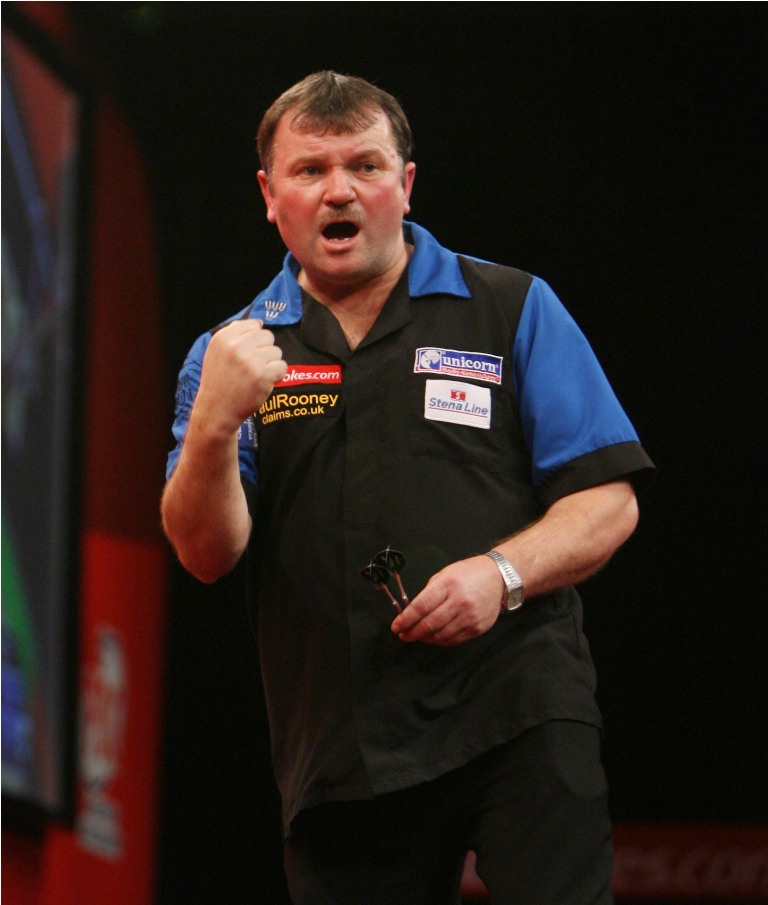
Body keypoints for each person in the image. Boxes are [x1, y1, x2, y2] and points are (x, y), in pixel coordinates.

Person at [161, 71, 655, 905]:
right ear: (270, 196)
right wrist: (212, 421)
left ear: (406, 183)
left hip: (518, 704)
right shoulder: (232, 351)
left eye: (365, 165)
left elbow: (609, 500)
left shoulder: (510, 306)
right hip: (342, 741)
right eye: (310, 169)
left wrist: (499, 575)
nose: (339, 189)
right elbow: (205, 552)